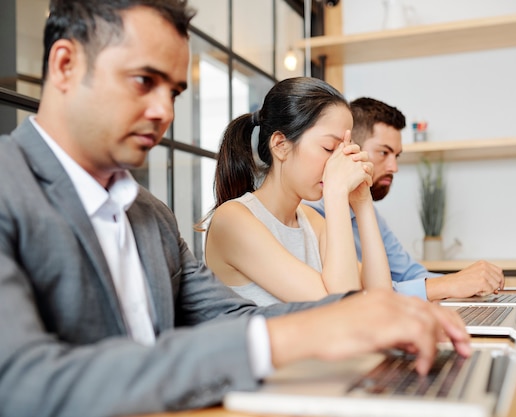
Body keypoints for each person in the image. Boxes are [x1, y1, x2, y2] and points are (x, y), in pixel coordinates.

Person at [0, 2, 471, 416]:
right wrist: (294, 336)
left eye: (176, 92)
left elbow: (234, 318)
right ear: (64, 65)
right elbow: (20, 384)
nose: (165, 110)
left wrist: (364, 315)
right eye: (145, 81)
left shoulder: (150, 215)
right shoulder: (9, 188)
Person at [197, 77, 392, 306]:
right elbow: (343, 308)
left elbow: (381, 300)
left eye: (345, 150)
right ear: (280, 145)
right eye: (329, 148)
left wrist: (363, 202)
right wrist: (336, 193)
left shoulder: (311, 221)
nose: (340, 162)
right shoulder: (233, 220)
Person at [306, 97, 505, 301]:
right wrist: (447, 285)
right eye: (384, 152)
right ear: (348, 149)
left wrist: (466, 281)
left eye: (397, 156)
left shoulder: (370, 214)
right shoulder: (311, 214)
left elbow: (410, 273)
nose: (394, 167)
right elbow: (357, 295)